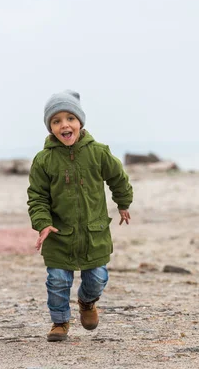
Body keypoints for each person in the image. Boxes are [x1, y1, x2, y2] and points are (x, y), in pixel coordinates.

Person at [27, 90, 133, 342]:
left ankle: (87, 302)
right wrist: (43, 224)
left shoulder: (98, 152)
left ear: (80, 123)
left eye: (70, 118)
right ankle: (60, 322)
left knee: (97, 278)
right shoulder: (44, 160)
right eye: (56, 121)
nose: (64, 124)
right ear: (50, 128)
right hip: (58, 233)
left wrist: (123, 202)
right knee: (57, 281)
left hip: (93, 232)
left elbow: (118, 178)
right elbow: (37, 196)